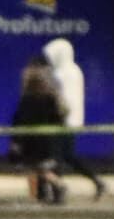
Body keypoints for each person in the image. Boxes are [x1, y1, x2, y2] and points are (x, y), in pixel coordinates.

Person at [41, 36, 109, 199]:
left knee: (56, 157)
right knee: (67, 156)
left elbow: (60, 98)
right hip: (72, 121)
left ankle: (58, 192)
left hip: (61, 121)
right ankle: (96, 181)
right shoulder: (75, 71)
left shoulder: (61, 74)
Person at [10, 57, 69, 203]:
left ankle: (37, 194)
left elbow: (20, 120)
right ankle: (54, 187)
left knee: (32, 168)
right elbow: (59, 116)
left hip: (31, 139)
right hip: (47, 140)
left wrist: (16, 141)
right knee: (41, 167)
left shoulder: (28, 99)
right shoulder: (50, 97)